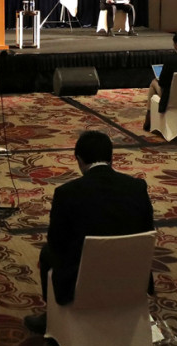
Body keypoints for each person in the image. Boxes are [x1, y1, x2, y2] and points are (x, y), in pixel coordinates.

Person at [24, 131, 155, 334]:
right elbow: (148, 232)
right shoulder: (137, 187)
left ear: (79, 159)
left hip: (83, 283)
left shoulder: (67, 194)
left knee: (47, 253)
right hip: (132, 277)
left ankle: (51, 316)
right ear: (111, 158)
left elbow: (57, 243)